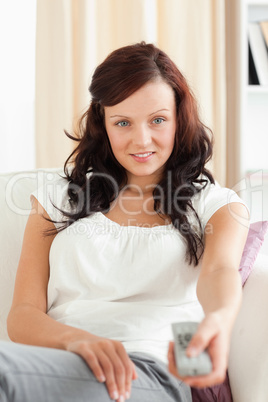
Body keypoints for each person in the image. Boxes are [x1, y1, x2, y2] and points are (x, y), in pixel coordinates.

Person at [0, 42, 249, 402]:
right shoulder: (55, 197)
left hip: (146, 371)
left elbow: (218, 273)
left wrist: (219, 321)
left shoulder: (216, 205)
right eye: (123, 123)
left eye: (158, 120)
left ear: (179, 119)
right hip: (55, 361)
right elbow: (22, 314)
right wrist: (77, 339)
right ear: (103, 124)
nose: (141, 139)